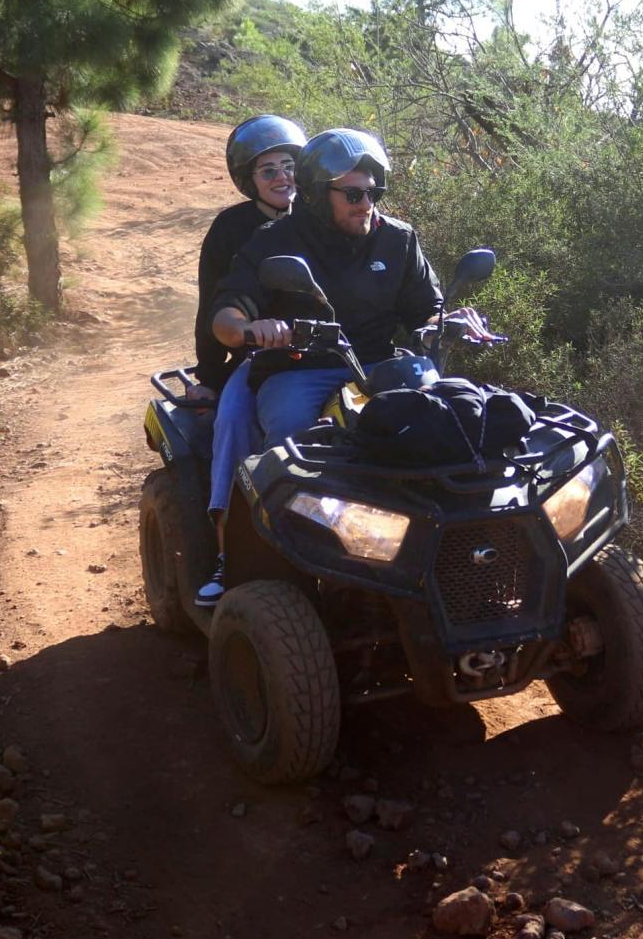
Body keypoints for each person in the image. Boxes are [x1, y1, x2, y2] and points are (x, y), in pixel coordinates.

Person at [197, 128, 476, 605]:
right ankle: (269, 560)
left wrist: (446, 322)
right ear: (316, 195)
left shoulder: (398, 239)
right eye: (352, 194)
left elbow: (425, 307)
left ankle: (455, 546)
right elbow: (225, 314)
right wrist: (250, 328)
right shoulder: (273, 241)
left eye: (372, 192)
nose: (365, 203)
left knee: (447, 417)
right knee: (289, 438)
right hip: (299, 367)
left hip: (379, 364)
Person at [193, 116, 305, 606]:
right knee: (234, 422)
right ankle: (229, 553)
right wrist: (213, 377)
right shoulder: (232, 228)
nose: (283, 177)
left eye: (290, 165)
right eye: (268, 171)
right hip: (260, 360)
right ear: (249, 179)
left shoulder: (328, 214)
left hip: (337, 357)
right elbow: (212, 305)